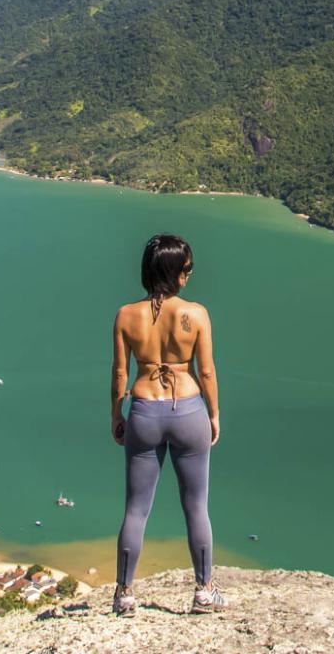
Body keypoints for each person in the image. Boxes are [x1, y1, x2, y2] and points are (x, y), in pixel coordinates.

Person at [110, 232, 223, 615]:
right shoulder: (197, 314)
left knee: (136, 509)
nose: (188, 275)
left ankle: (124, 595)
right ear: (175, 273)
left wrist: (116, 414)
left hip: (143, 410)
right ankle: (204, 591)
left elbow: (120, 374)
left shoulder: (126, 315)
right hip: (188, 409)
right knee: (196, 506)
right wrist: (214, 414)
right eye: (186, 269)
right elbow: (205, 372)